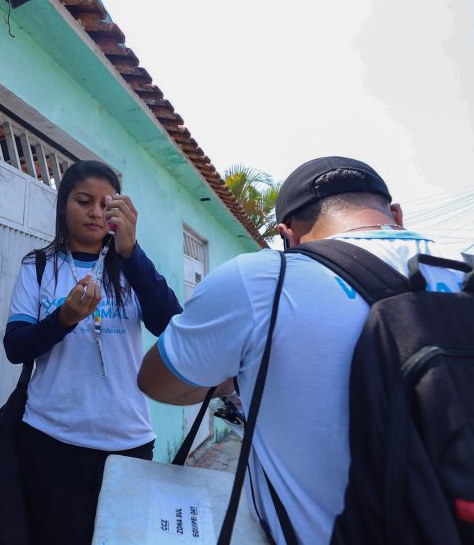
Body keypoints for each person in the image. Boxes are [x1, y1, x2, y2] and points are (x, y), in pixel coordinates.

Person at [137, 156, 466, 544]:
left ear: (287, 233)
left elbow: (157, 382)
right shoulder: (465, 268)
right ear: (395, 213)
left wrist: (233, 378)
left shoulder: (261, 282)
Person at [4, 160, 182, 544]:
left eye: (107, 205)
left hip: (127, 441)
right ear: (63, 205)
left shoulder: (132, 267)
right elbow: (15, 347)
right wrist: (63, 318)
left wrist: (131, 251)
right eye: (84, 201)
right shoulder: (38, 266)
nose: (96, 213)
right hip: (49, 440)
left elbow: (170, 326)